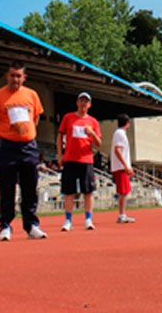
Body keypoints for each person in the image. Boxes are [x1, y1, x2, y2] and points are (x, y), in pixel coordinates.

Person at [0, 61, 47, 241]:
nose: (15, 79)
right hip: (7, 146)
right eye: (12, 75)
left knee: (30, 186)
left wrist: (26, 133)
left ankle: (31, 225)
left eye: (19, 76)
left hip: (28, 146)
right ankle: (5, 225)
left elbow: (35, 118)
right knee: (7, 187)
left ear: (24, 77)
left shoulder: (32, 95)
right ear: (7, 76)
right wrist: (3, 135)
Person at [58, 92, 102, 232]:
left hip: (86, 159)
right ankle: (68, 220)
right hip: (70, 159)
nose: (83, 104)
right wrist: (60, 154)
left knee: (88, 191)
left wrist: (92, 133)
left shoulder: (93, 121)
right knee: (69, 191)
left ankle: (88, 219)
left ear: (89, 105)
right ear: (77, 103)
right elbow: (60, 136)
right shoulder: (68, 117)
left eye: (86, 102)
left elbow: (99, 143)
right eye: (81, 101)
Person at [111, 114, 136, 224]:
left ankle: (122, 214)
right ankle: (122, 215)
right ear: (127, 123)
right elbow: (118, 150)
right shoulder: (120, 134)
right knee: (123, 192)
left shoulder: (120, 133)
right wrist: (126, 166)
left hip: (121, 166)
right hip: (121, 167)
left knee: (124, 191)